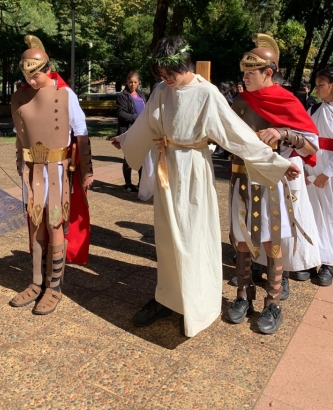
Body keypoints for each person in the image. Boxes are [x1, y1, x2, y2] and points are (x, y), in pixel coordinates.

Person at [111, 36, 301, 338]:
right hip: (166, 171)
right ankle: (167, 298)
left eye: (168, 73)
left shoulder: (207, 94)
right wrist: (126, 140)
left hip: (193, 173)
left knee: (192, 238)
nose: (164, 79)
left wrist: (275, 163)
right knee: (167, 239)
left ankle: (196, 303)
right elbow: (146, 124)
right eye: (160, 74)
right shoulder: (161, 91)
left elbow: (237, 134)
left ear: (183, 65)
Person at [227, 34, 320, 334]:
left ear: (268, 72)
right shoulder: (240, 102)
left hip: (270, 180)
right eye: (243, 72)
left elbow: (312, 148)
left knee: (271, 241)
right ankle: (243, 296)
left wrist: (284, 134)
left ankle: (273, 303)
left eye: (250, 73)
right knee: (241, 239)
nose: (244, 78)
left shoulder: (287, 100)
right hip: (240, 178)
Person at [9, 35, 93, 315]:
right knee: (35, 225)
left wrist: (86, 170)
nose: (32, 81)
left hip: (58, 170)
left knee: (55, 223)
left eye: (36, 75)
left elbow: (80, 132)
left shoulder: (65, 94)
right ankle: (36, 282)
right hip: (32, 171)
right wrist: (21, 164)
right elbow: (21, 137)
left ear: (46, 68)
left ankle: (53, 287)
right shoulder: (19, 97)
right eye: (27, 75)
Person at [303, 67, 333, 286]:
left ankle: (327, 263)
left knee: (331, 215)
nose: (316, 88)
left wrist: (327, 174)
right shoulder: (314, 108)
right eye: (316, 84)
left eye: (321, 84)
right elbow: (306, 138)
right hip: (313, 166)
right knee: (312, 213)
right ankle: (311, 258)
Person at [116, 71, 146, 192]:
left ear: (138, 82)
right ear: (127, 82)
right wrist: (137, 118)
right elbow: (121, 114)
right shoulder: (122, 96)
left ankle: (141, 183)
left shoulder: (142, 94)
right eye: (130, 82)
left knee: (142, 157)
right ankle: (128, 184)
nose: (132, 84)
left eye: (135, 82)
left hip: (142, 130)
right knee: (128, 157)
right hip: (129, 130)